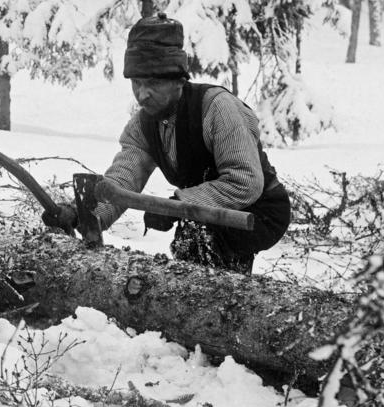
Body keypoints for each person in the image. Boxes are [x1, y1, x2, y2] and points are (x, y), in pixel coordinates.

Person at [43, 14, 290, 273]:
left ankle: (224, 301)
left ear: (178, 81)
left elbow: (245, 182)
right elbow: (124, 181)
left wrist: (176, 206)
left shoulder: (217, 108)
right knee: (194, 241)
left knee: (196, 239)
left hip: (261, 210)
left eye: (152, 83)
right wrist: (83, 216)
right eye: (136, 83)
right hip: (203, 209)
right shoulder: (143, 125)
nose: (142, 94)